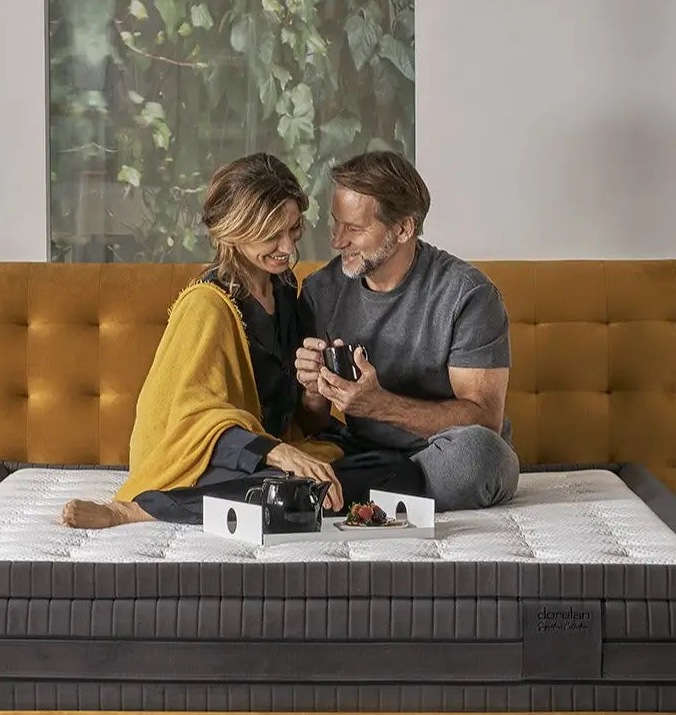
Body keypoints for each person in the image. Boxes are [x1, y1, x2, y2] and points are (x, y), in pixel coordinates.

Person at [61, 153, 421, 529]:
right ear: (235, 232)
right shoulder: (206, 306)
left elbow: (302, 421)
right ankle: (139, 509)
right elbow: (193, 422)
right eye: (271, 236)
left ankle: (288, 489)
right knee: (287, 488)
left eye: (293, 230)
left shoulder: (284, 291)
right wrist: (277, 453)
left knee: (399, 471)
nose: (288, 248)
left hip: (271, 455)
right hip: (207, 462)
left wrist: (315, 391)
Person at [295, 151, 520, 512]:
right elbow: (310, 422)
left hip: (441, 453)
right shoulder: (320, 291)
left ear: (403, 228)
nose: (337, 241)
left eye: (353, 229)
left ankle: (346, 496)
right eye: (335, 224)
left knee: (480, 459)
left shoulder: (468, 295)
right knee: (286, 455)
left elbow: (484, 419)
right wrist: (313, 393)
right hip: (361, 453)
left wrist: (379, 405)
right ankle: (379, 494)